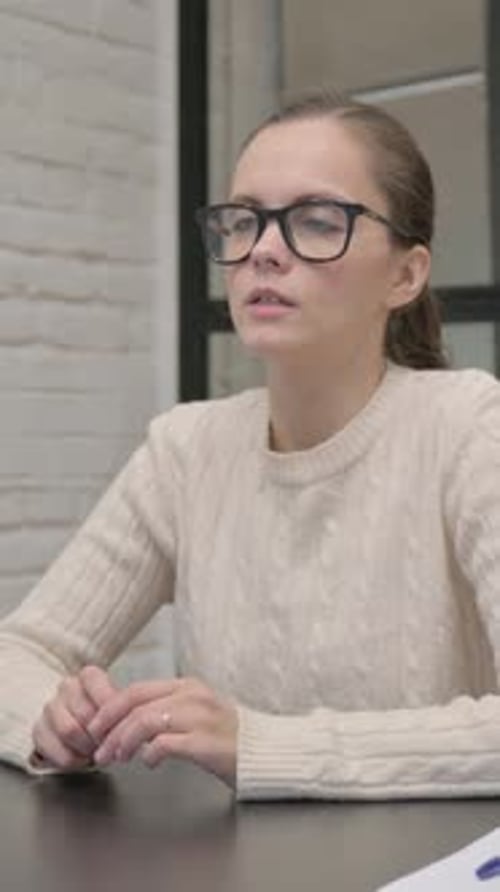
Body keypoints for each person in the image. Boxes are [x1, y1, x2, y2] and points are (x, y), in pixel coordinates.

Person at [1, 89, 500, 802]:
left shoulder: (470, 427)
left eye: (317, 221)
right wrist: (54, 721)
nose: (263, 250)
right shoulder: (186, 450)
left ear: (405, 275)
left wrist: (259, 745)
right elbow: (19, 652)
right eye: (243, 221)